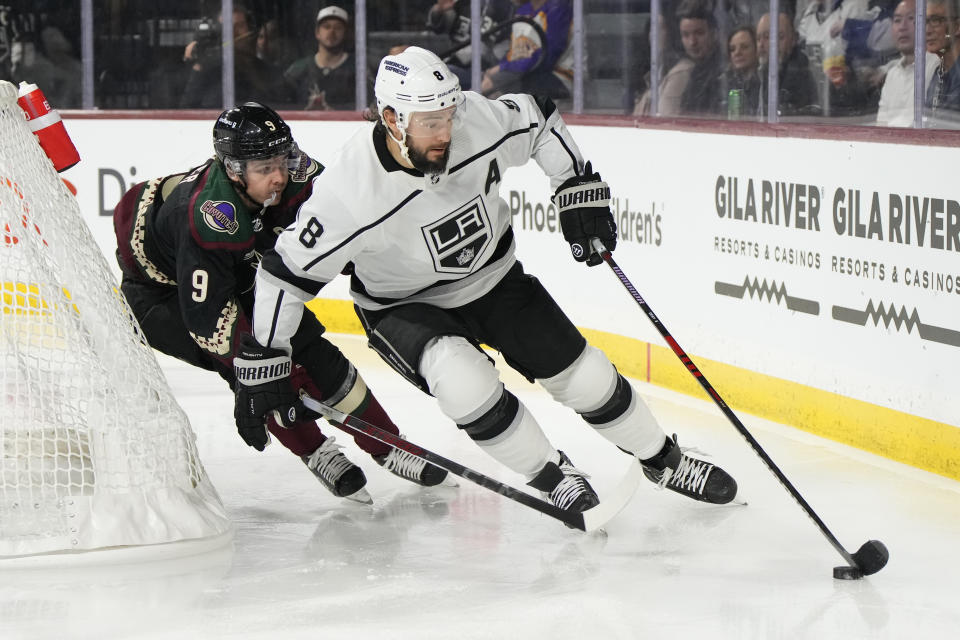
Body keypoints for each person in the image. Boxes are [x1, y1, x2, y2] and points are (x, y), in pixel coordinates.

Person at [236, 47, 739, 517]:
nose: (445, 132)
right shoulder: (349, 190)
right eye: (430, 123)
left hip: (495, 278)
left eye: (448, 117)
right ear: (391, 120)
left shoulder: (473, 121)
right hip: (403, 307)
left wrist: (575, 183)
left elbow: (540, 119)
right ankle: (551, 473)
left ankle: (664, 459)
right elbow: (285, 277)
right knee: (463, 382)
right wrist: (268, 358)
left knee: (586, 376)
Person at [113, 102, 450, 504]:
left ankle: (388, 445)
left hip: (238, 270)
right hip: (162, 294)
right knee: (260, 373)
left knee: (312, 349)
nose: (279, 176)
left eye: (282, 161)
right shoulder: (208, 215)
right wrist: (259, 371)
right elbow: (209, 321)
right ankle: (315, 451)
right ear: (234, 171)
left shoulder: (295, 169)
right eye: (264, 169)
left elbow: (344, 216)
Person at [179, 5, 294, 109]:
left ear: (250, 29)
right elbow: (187, 107)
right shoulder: (209, 70)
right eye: (227, 28)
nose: (233, 33)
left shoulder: (267, 71)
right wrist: (198, 65)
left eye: (239, 26)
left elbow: (283, 102)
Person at [481, 0, 574, 100]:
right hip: (525, 73)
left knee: (496, 85)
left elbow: (545, 59)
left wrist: (501, 70)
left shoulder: (558, 10)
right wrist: (501, 69)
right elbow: (514, 54)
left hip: (559, 78)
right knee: (484, 81)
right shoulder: (523, 11)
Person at [876, 0, 940, 125]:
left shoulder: (937, 66)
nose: (902, 27)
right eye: (897, 20)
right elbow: (881, 125)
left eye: (911, 18)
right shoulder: (892, 75)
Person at [425, 0, 515, 89]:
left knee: (438, 76)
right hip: (453, 62)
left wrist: (493, 71)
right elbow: (436, 27)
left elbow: (506, 48)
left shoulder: (507, 8)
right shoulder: (460, 4)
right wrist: (439, 9)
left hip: (483, 71)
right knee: (431, 75)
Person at [284, 6, 357, 111]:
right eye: (326, 27)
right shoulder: (297, 70)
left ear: (345, 33)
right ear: (317, 32)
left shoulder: (358, 70)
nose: (331, 32)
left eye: (338, 27)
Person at [757, 12, 820, 115]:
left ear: (793, 39)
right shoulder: (762, 73)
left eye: (779, 37)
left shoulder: (801, 73)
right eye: (758, 39)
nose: (762, 44)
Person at [925, 0, 960, 124]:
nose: (927, 30)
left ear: (957, 27)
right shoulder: (939, 71)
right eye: (924, 22)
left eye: (935, 21)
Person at [718, 25, 763, 118]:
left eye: (744, 47)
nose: (737, 53)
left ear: (757, 49)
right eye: (732, 49)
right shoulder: (724, 82)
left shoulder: (765, 81)